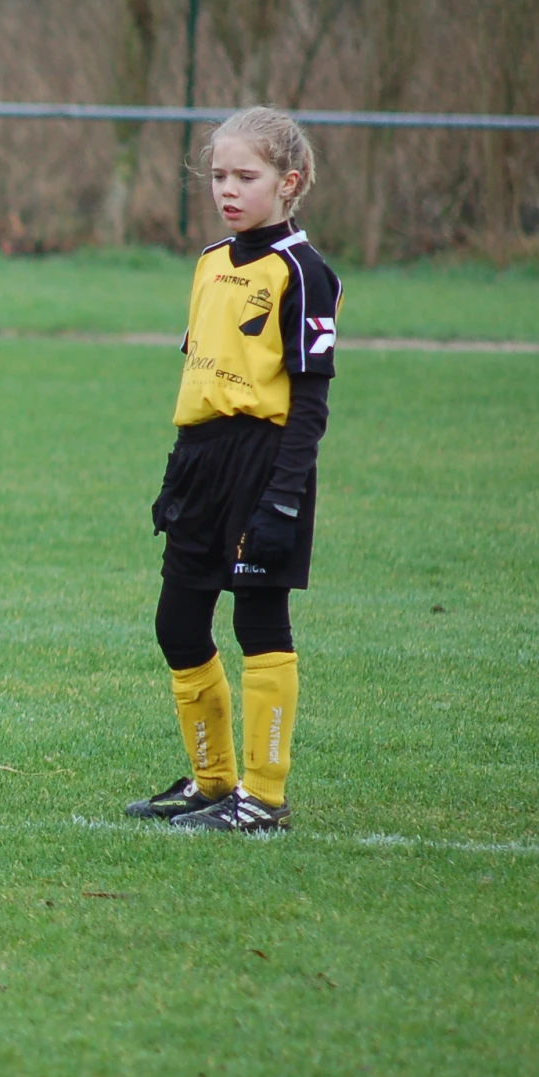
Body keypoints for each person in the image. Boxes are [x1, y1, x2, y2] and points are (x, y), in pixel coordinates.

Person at [129, 107, 341, 835]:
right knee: (178, 623)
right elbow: (201, 373)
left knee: (259, 620)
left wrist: (281, 501)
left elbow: (310, 404)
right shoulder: (209, 264)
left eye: (245, 176)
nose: (228, 188)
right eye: (218, 175)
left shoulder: (304, 273)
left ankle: (264, 796)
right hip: (201, 463)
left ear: (291, 182)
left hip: (265, 462)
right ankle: (213, 782)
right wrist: (176, 474)